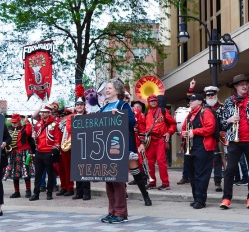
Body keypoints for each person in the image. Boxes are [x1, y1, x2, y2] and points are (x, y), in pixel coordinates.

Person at [220, 74, 249, 209]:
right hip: (235, 141)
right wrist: (229, 120)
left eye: (246, 84)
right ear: (235, 87)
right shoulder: (228, 102)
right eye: (241, 84)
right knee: (230, 170)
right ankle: (226, 198)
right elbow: (221, 122)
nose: (245, 86)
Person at [99, 78, 136, 224]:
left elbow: (132, 122)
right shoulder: (103, 108)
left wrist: (119, 115)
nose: (106, 90)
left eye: (109, 88)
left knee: (118, 181)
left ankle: (121, 212)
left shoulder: (123, 105)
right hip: (104, 148)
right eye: (106, 88)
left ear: (117, 90)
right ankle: (112, 211)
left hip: (118, 147)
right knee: (109, 181)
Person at [185, 80, 225, 192]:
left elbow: (225, 122)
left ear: (216, 95)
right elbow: (190, 100)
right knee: (211, 161)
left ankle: (218, 182)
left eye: (212, 94)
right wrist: (191, 88)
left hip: (220, 136)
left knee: (219, 160)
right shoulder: (203, 108)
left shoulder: (222, 107)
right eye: (208, 95)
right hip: (206, 138)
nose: (210, 96)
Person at [181, 94, 217, 209]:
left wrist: (194, 132)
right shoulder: (190, 114)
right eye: (190, 100)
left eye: (193, 100)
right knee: (192, 175)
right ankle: (196, 198)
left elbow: (210, 128)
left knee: (201, 175)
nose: (190, 102)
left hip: (203, 148)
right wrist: (184, 133)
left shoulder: (206, 112)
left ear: (200, 102)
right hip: (191, 147)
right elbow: (183, 127)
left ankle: (201, 200)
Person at [62, 85, 91, 200]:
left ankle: (86, 192)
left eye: (81, 105)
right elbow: (69, 129)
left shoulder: (89, 116)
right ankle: (78, 192)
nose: (79, 106)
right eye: (77, 105)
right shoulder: (70, 117)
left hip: (86, 145)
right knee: (76, 169)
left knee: (86, 169)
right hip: (75, 145)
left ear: (84, 106)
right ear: (75, 106)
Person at [143, 94, 176, 190]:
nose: (153, 102)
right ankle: (152, 182)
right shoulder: (146, 113)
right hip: (149, 140)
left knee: (161, 161)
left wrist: (169, 132)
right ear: (148, 102)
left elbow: (173, 124)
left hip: (160, 139)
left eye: (155, 100)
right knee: (149, 162)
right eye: (151, 101)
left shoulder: (163, 111)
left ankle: (165, 183)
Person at [29, 104, 62, 201]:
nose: (41, 114)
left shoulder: (54, 124)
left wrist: (55, 149)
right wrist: (34, 137)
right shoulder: (38, 124)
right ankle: (36, 193)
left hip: (49, 151)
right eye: (41, 112)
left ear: (49, 113)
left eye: (44, 112)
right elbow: (37, 138)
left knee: (50, 173)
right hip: (39, 151)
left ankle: (49, 192)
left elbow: (57, 138)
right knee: (38, 174)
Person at [4, 113, 34, 198]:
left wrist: (27, 121)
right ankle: (17, 191)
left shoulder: (24, 128)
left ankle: (28, 190)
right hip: (13, 153)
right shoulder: (9, 128)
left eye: (15, 122)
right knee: (14, 173)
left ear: (19, 121)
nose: (13, 124)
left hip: (24, 152)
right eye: (13, 122)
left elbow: (29, 132)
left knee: (26, 171)